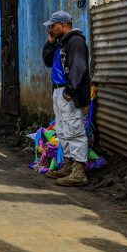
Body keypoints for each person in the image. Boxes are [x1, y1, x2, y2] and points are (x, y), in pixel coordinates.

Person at [41, 10, 91, 186]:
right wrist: (50, 41)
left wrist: (70, 91)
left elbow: (79, 67)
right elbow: (48, 61)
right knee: (63, 129)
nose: (50, 29)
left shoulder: (75, 42)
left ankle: (79, 171)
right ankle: (68, 165)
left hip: (68, 93)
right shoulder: (60, 42)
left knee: (74, 129)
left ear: (62, 25)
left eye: (52, 26)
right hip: (59, 92)